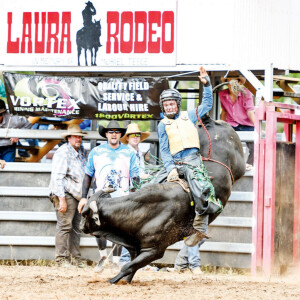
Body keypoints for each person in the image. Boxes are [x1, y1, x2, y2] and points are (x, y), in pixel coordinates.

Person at [157, 66, 223, 247]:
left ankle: (200, 228)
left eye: (172, 103)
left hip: (192, 160)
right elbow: (164, 149)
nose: (169, 107)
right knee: (151, 187)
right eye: (166, 104)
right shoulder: (162, 125)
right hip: (173, 162)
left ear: (177, 104)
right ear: (163, 107)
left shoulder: (190, 115)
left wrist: (207, 84)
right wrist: (170, 168)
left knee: (200, 189)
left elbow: (207, 104)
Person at [78, 120, 139, 272]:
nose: (113, 134)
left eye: (117, 132)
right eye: (110, 131)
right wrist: (84, 197)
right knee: (99, 227)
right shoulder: (96, 152)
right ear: (106, 134)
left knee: (118, 229)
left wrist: (134, 193)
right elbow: (88, 175)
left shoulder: (129, 152)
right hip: (101, 196)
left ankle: (116, 262)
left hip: (122, 196)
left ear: (120, 135)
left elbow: (135, 176)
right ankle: (103, 258)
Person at [49, 124, 88, 267]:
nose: (79, 139)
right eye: (76, 136)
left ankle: (75, 258)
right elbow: (57, 177)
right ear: (69, 138)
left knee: (76, 227)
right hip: (66, 193)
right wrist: (61, 199)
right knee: (65, 226)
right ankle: (61, 259)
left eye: (80, 137)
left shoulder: (81, 151)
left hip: (77, 194)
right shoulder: (63, 152)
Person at [219, 76, 255, 171]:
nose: (232, 84)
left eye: (235, 81)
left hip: (247, 124)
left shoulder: (246, 93)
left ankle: (249, 164)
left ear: (240, 83)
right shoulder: (222, 94)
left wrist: (257, 126)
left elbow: (250, 111)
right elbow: (224, 111)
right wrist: (220, 126)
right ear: (227, 83)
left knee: (254, 146)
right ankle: (232, 165)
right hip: (231, 124)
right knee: (226, 144)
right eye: (229, 81)